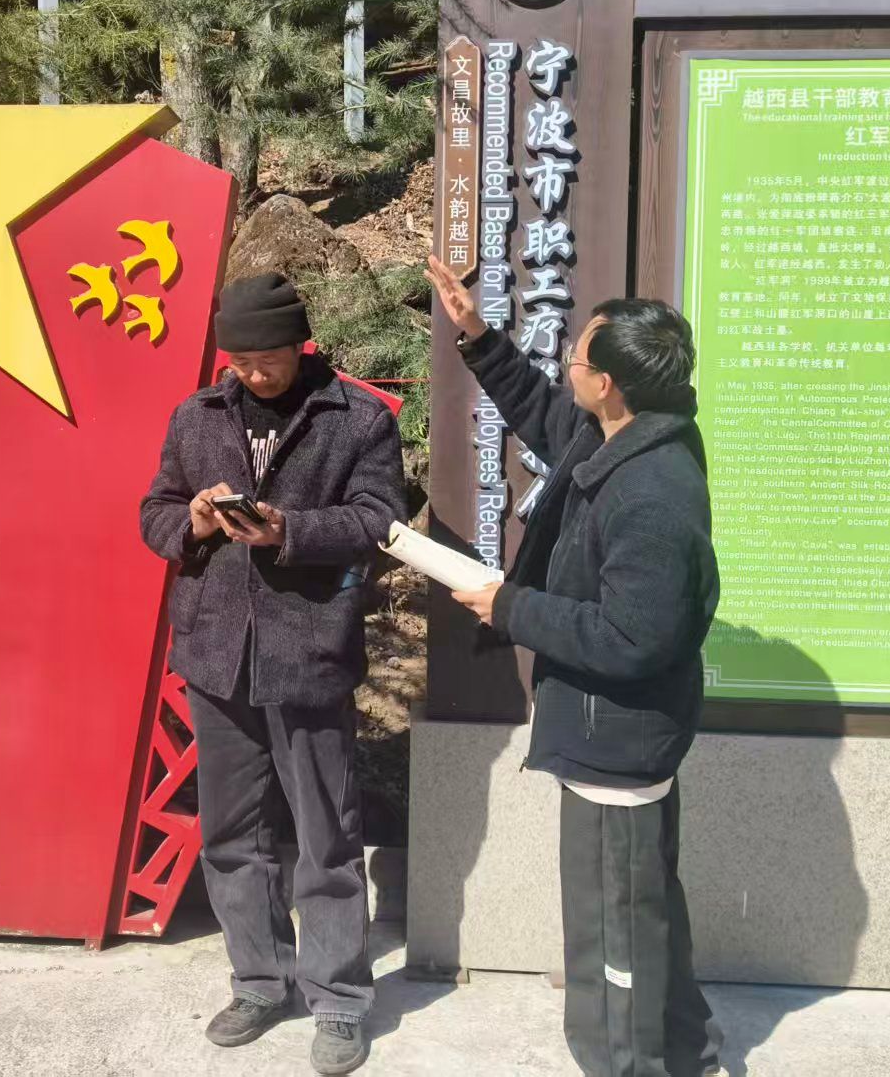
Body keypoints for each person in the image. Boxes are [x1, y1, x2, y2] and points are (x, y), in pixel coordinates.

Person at [426, 255, 726, 1077]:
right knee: (641, 906)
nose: (567, 365)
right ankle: (687, 1049)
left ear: (611, 384)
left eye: (578, 357)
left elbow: (631, 637)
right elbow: (542, 415)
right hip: (614, 734)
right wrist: (477, 334)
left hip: (617, 745)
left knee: (611, 933)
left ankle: (625, 1063)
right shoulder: (623, 434)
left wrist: (510, 606)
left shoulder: (651, 491)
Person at [140, 271, 407, 1076]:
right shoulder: (197, 416)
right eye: (241, 362)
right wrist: (192, 520)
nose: (255, 375)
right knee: (231, 834)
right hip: (218, 654)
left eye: (270, 360)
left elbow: (379, 520)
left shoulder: (354, 417)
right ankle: (260, 980)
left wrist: (289, 530)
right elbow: (155, 511)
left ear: (301, 343)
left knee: (327, 834)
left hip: (309, 651)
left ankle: (338, 997)